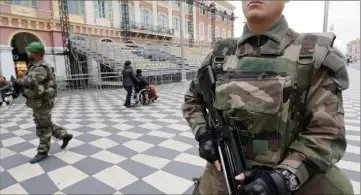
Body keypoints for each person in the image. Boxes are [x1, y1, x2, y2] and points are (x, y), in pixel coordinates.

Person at [181, 1, 353, 195]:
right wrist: (203, 134)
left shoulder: (313, 55)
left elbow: (327, 132)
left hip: (288, 179)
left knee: (341, 189)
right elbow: (192, 101)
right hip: (224, 172)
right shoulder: (219, 54)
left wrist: (282, 179)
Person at [15, 42, 73, 164]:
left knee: (43, 127)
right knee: (45, 123)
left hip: (43, 101)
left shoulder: (41, 67)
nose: (27, 53)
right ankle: (64, 135)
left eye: (29, 51)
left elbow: (31, 80)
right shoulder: (34, 65)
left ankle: (43, 151)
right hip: (37, 101)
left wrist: (15, 82)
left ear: (35, 53)